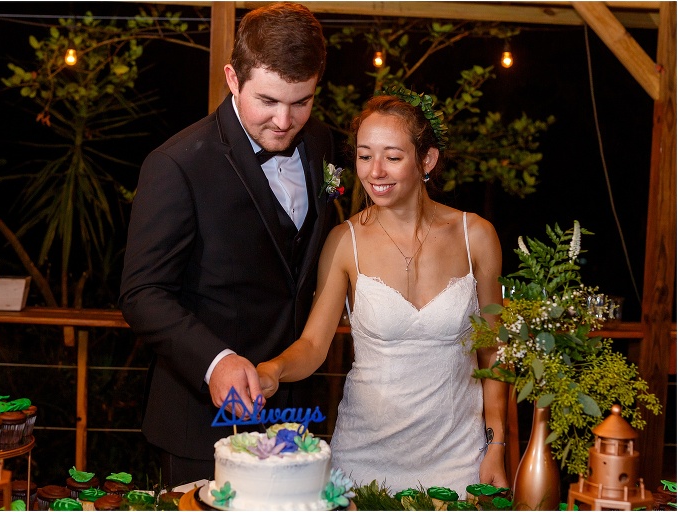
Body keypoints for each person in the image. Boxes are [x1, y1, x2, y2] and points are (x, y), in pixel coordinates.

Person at [118, 3, 334, 486]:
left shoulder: (320, 142)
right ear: (233, 79)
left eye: (301, 101)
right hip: (202, 424)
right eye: (269, 101)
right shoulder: (176, 164)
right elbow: (142, 293)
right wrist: (215, 361)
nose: (285, 121)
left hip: (297, 416)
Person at [256, 92, 509, 497]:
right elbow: (313, 345)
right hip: (362, 459)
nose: (375, 171)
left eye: (392, 157)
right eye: (364, 155)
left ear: (426, 160)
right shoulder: (344, 242)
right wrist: (273, 369)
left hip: (460, 458)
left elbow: (493, 351)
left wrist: (496, 444)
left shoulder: (475, 235)